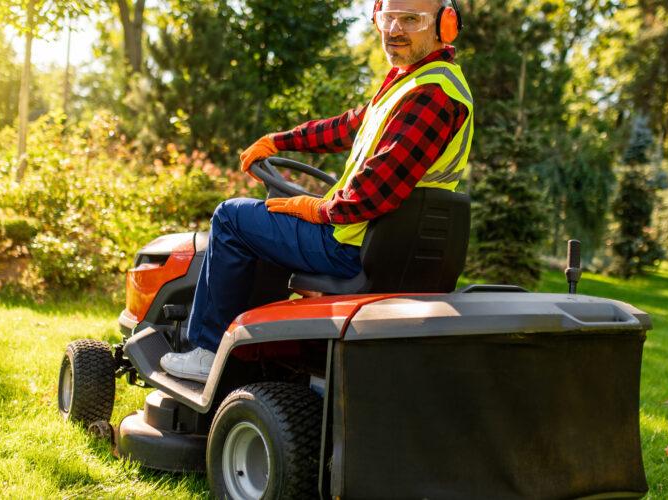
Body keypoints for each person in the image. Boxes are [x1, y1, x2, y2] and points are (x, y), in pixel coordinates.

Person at [160, 0, 474, 382]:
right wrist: (279, 141)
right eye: (387, 18)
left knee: (230, 217)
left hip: (352, 246)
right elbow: (346, 127)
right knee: (265, 222)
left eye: (410, 20)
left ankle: (208, 352)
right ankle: (253, 347)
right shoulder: (409, 82)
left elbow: (373, 192)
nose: (394, 31)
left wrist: (317, 209)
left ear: (444, 26)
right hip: (380, 243)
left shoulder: (432, 94)